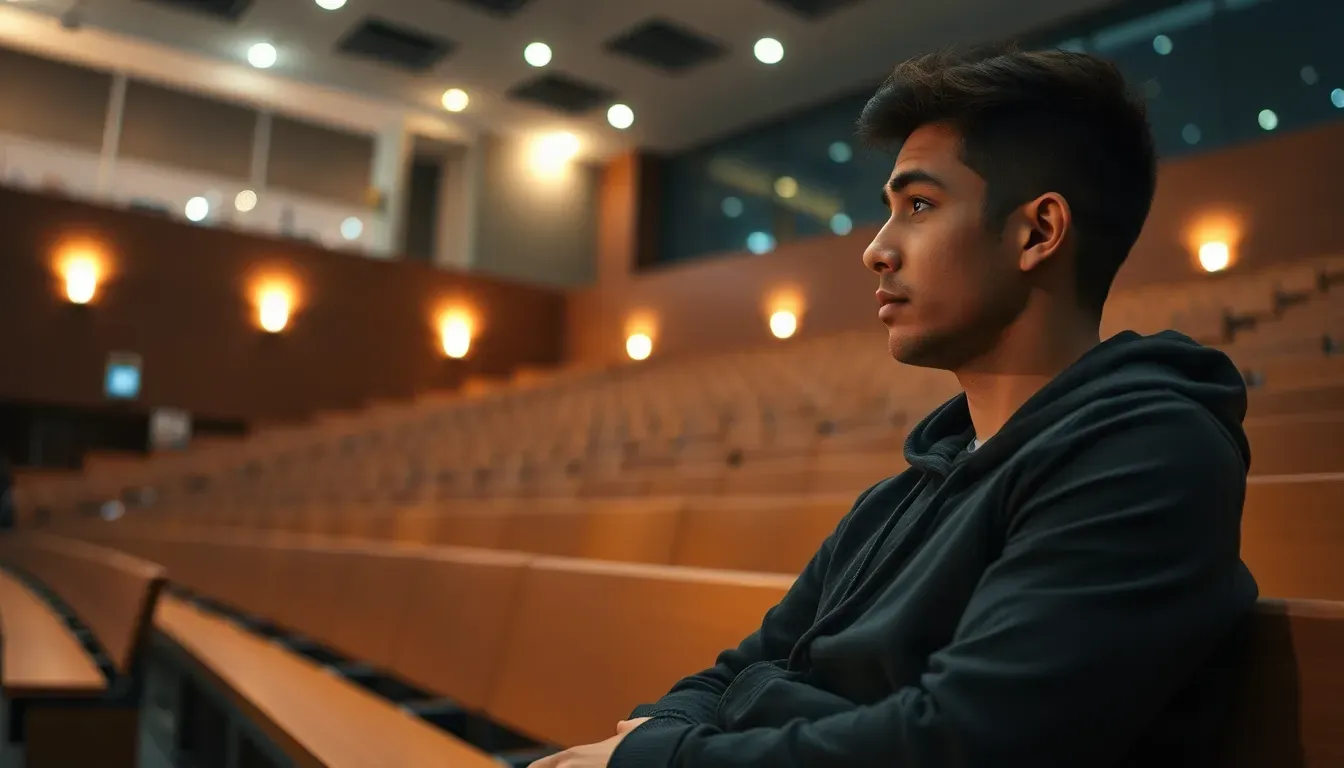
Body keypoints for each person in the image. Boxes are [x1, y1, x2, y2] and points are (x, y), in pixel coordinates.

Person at [531, 46, 1257, 768]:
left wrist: (661, 755)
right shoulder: (901, 495)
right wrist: (679, 731)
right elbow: (734, 672)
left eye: (918, 206)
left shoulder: (1148, 453)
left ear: (1037, 232)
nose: (877, 250)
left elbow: (963, 744)